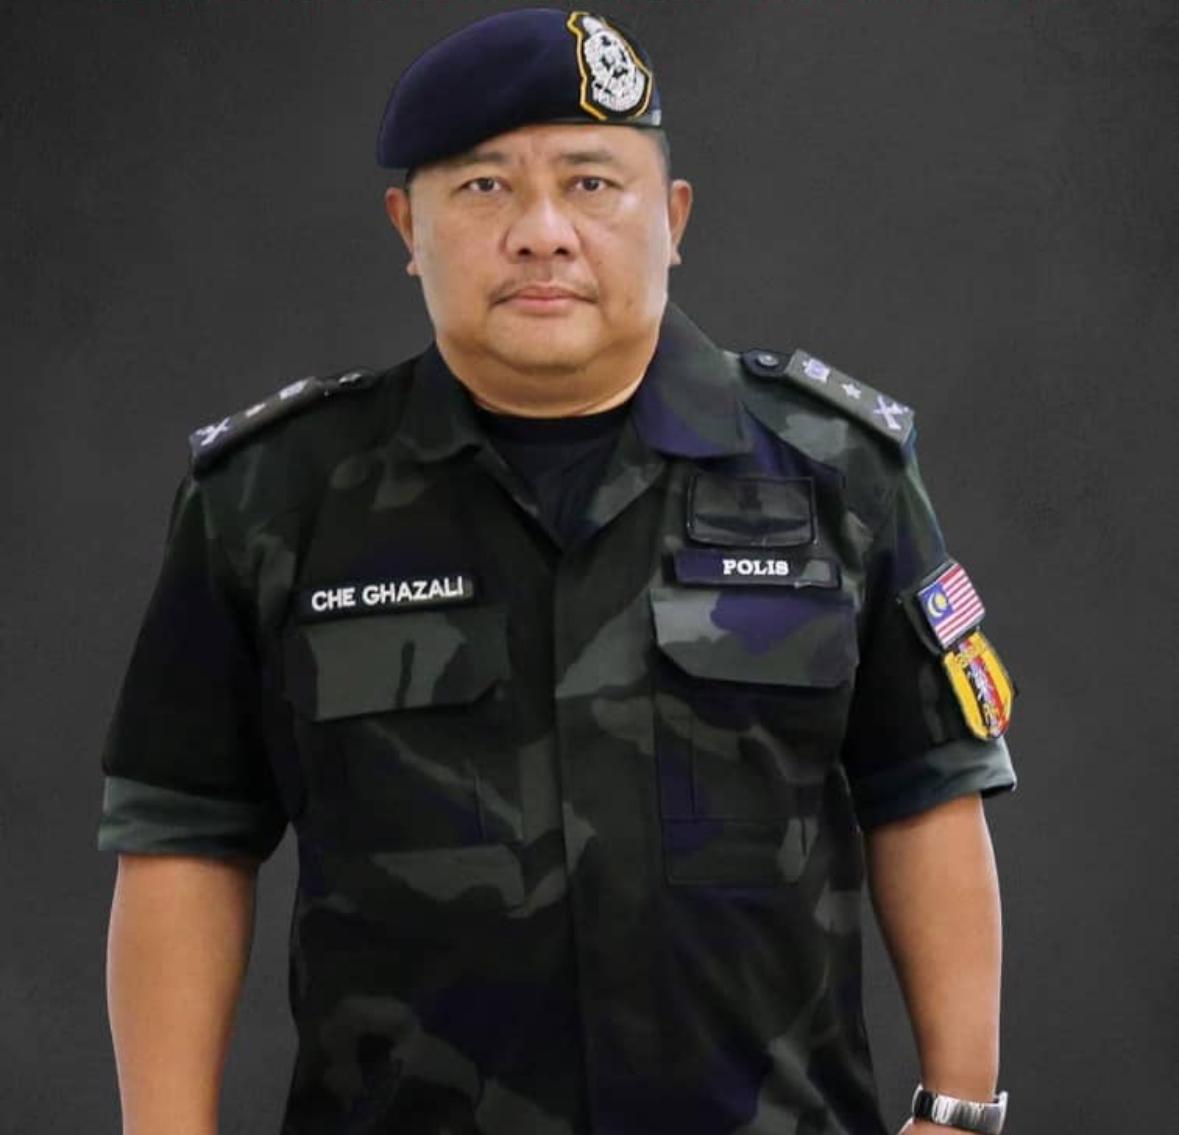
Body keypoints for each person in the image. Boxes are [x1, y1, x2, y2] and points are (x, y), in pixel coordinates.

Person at [97, 8, 1017, 1134]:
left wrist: (959, 1111)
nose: (541, 233)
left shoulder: (836, 471)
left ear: (673, 218)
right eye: (484, 188)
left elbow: (924, 794)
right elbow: (186, 836)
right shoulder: (275, 496)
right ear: (408, 225)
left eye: (591, 184)